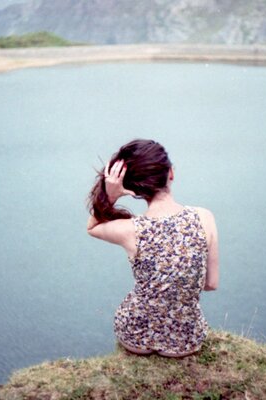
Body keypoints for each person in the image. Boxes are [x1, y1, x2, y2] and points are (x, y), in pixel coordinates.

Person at [86, 139, 219, 357]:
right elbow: (211, 284)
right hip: (186, 340)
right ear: (171, 174)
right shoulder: (204, 217)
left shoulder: (131, 229)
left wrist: (111, 195)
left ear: (133, 187)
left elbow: (92, 227)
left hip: (135, 335)